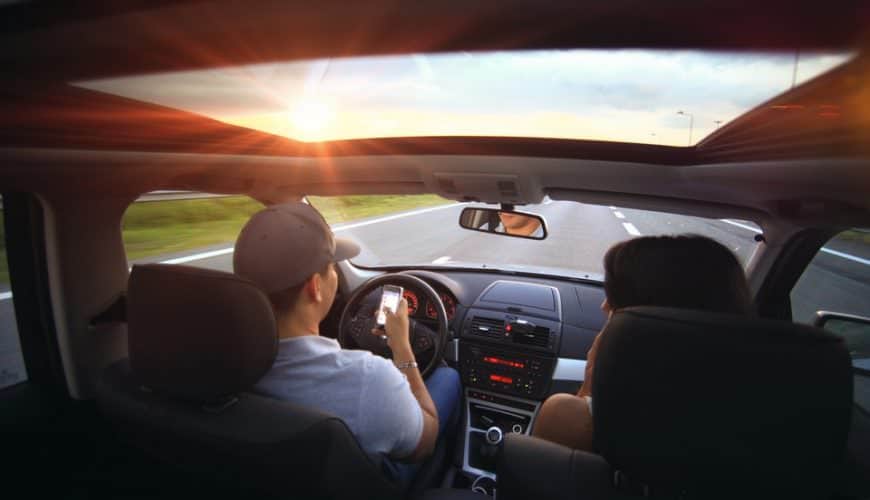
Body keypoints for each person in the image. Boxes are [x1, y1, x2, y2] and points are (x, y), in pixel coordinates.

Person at [232, 202, 461, 487]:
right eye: (332, 268)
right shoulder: (368, 377)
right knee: (448, 377)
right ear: (315, 287)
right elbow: (425, 442)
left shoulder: (215, 363)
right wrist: (402, 346)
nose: (336, 276)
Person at [532, 234, 753, 451]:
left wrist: (592, 383)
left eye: (616, 299)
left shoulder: (571, 418)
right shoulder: (758, 405)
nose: (604, 307)